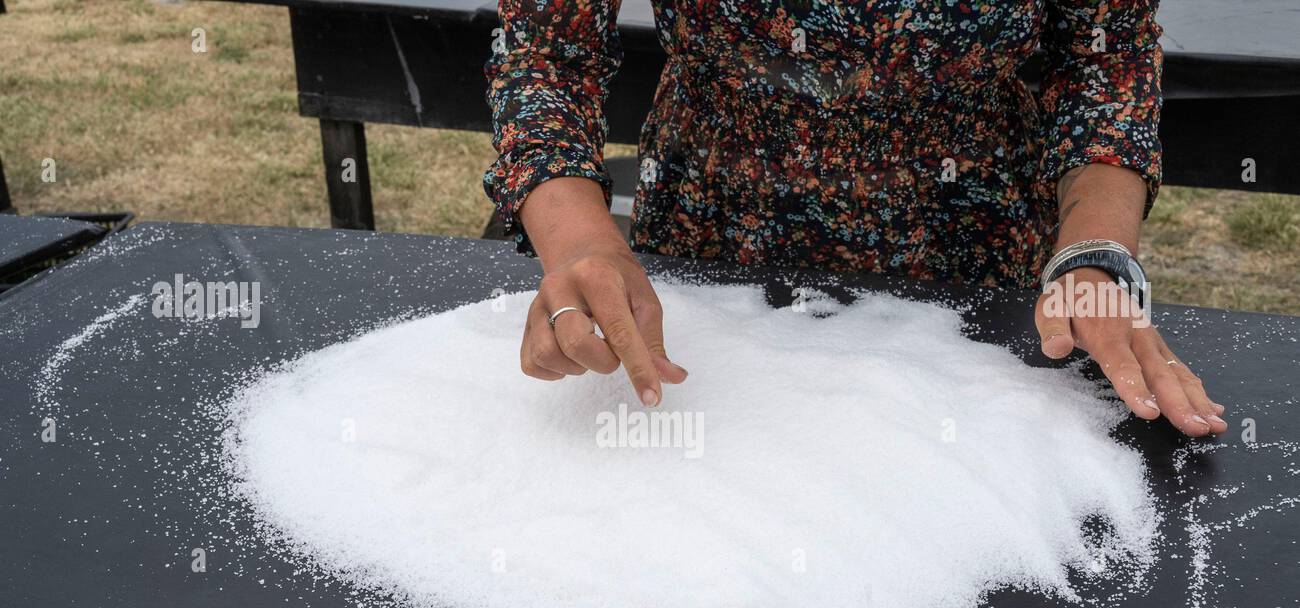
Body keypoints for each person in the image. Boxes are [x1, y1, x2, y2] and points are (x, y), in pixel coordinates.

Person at [484, 0, 1225, 437]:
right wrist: (580, 240)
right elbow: (546, 57)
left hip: (980, 258)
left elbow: (1105, 57)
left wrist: (1092, 253)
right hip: (714, 251)